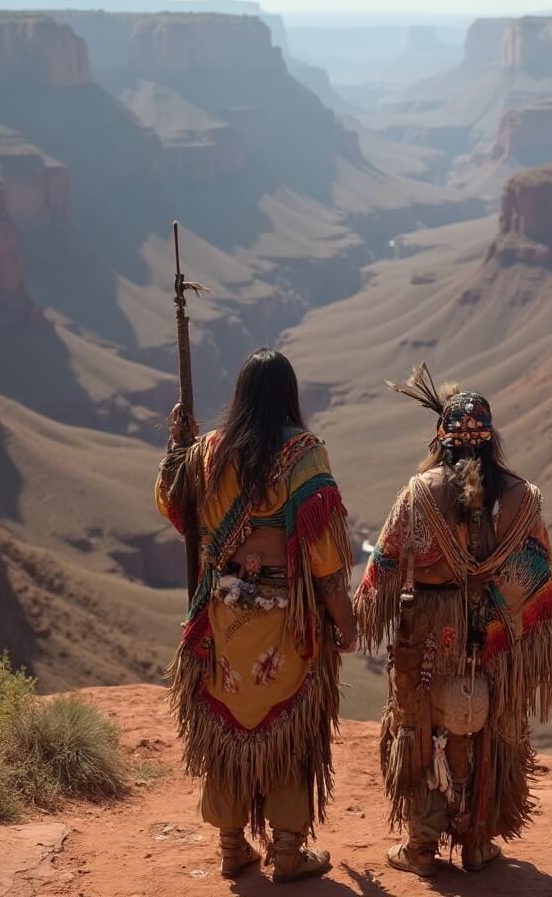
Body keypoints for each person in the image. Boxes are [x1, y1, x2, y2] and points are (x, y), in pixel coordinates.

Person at [353, 364, 552, 876]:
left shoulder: (419, 494)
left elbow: (382, 569)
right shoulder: (522, 499)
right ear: (491, 442)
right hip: (494, 632)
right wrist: (497, 617)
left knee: (421, 724)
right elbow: (540, 579)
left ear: (441, 441)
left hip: (428, 631)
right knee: (491, 722)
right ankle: (476, 842)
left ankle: (422, 847)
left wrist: (355, 615)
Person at [156, 348, 357, 883]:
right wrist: (345, 619)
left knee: (227, 719)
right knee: (292, 723)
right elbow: (324, 552)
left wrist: (180, 448)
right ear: (289, 394)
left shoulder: (209, 454)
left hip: (223, 617)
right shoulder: (305, 455)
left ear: (241, 395)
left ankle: (231, 844)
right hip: (288, 622)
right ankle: (288, 850)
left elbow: (177, 509)